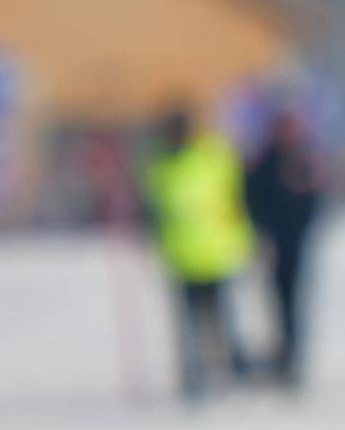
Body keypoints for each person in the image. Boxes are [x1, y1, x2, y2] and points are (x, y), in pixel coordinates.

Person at [138, 102, 250, 405]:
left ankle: (229, 375)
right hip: (181, 256)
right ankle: (194, 380)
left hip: (217, 252)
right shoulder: (160, 165)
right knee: (188, 326)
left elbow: (237, 198)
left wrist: (243, 238)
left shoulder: (213, 157)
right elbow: (151, 209)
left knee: (221, 321)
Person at [239, 91, 328, 389]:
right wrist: (261, 232)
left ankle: (292, 357)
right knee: (275, 302)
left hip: (296, 243)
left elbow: (315, 201)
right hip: (273, 243)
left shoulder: (304, 160)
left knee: (294, 302)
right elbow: (253, 199)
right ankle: (282, 355)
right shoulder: (264, 163)